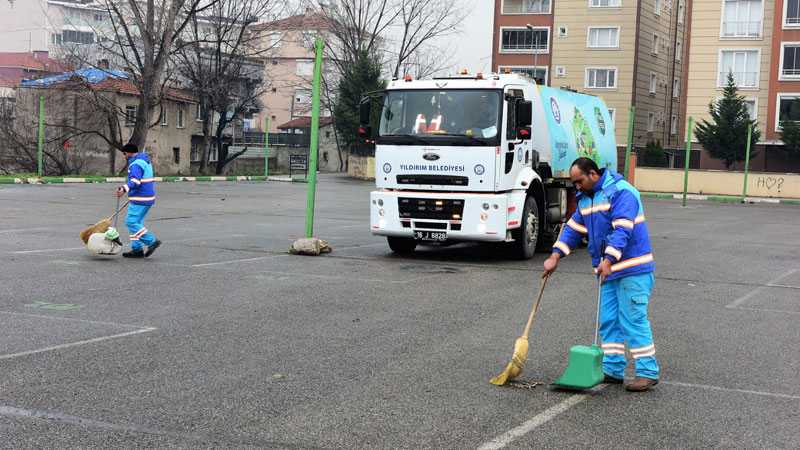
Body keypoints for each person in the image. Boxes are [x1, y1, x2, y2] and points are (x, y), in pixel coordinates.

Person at [542, 157, 658, 391]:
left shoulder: (622, 192)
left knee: (632, 320)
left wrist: (608, 259)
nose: (576, 187)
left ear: (593, 174)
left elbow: (622, 230)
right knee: (609, 321)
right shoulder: (586, 198)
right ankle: (613, 369)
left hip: (632, 269)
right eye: (573, 183)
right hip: (608, 271)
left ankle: (647, 372)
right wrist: (555, 256)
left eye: (579, 181)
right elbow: (574, 229)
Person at [114, 143, 161, 258]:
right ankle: (137, 250)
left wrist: (123, 189)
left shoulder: (135, 164)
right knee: (136, 223)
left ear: (130, 152)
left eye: (125, 154)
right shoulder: (145, 161)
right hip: (147, 197)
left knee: (131, 222)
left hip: (140, 198)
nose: (125, 156)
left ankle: (151, 242)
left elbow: (135, 182)